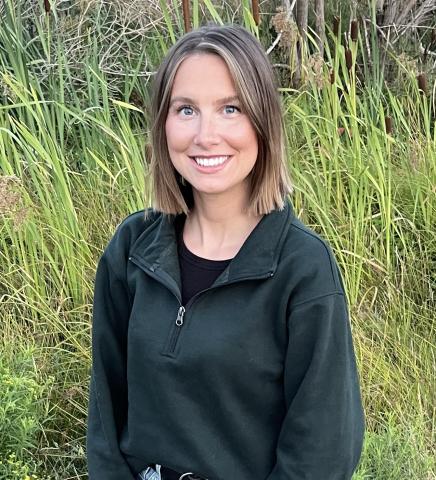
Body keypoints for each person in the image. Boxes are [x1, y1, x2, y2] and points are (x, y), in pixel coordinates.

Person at [86, 24, 365, 480]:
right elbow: (104, 413)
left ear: (262, 121)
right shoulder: (131, 250)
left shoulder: (303, 270)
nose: (206, 135)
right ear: (162, 123)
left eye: (230, 108)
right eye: (186, 109)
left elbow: (322, 450)